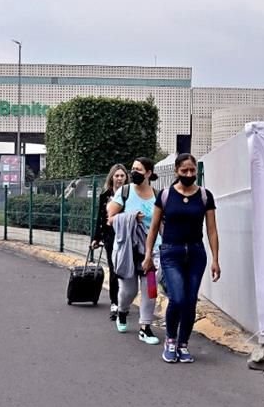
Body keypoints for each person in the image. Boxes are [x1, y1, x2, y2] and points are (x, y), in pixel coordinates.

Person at [143, 153, 220, 363]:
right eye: (184, 170)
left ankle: (183, 343)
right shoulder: (166, 195)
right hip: (171, 252)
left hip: (196, 253)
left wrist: (215, 259)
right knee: (177, 298)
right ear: (177, 171)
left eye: (192, 170)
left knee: (190, 301)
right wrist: (148, 254)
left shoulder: (205, 196)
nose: (189, 174)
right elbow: (154, 227)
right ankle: (170, 339)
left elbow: (212, 230)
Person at [106, 157, 161, 345]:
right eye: (132, 169)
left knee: (150, 289)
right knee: (129, 290)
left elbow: (162, 223)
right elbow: (111, 218)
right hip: (128, 249)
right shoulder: (125, 192)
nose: (133, 172)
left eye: (138, 169)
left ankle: (145, 327)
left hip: (153, 250)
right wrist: (130, 218)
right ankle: (122, 310)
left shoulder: (157, 195)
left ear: (148, 173)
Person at [91, 164, 128, 321]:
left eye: (122, 176)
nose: (119, 178)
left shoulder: (130, 195)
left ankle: (124, 301)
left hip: (127, 236)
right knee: (114, 269)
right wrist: (96, 238)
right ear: (112, 177)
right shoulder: (105, 195)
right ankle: (115, 303)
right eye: (117, 175)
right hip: (110, 237)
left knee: (125, 271)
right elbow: (100, 218)